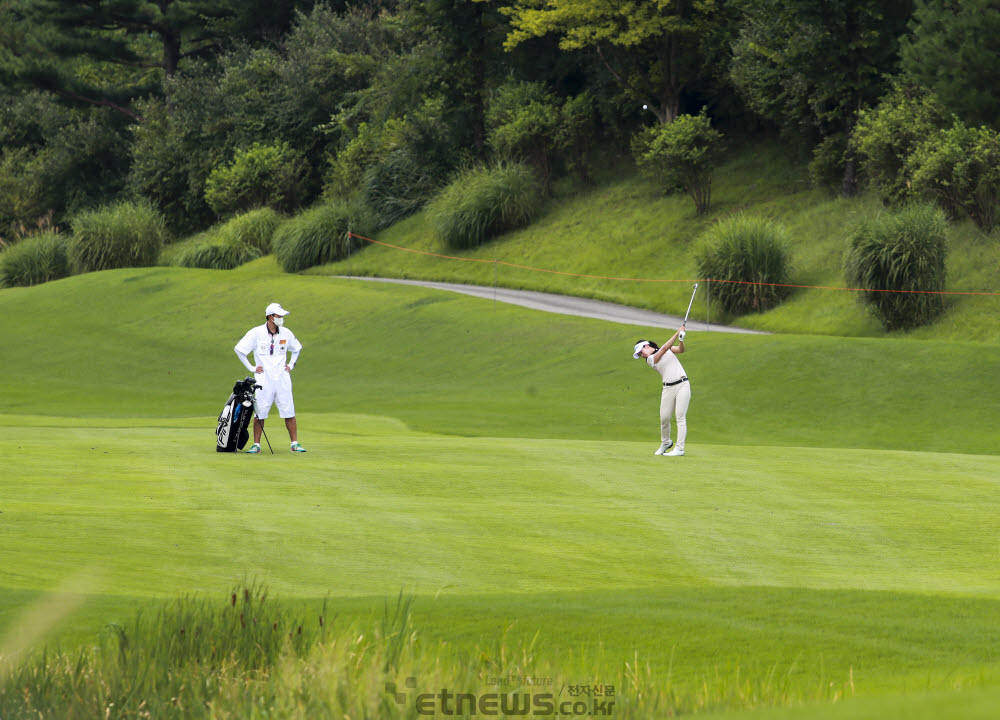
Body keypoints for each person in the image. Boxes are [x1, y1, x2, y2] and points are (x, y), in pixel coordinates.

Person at [235, 302, 306, 453]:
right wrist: (252, 368)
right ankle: (256, 445)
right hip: (263, 378)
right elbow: (240, 350)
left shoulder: (286, 333)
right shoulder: (256, 332)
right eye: (278, 315)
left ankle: (294, 443)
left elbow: (297, 348)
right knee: (260, 411)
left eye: (282, 316)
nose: (281, 318)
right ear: (270, 317)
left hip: (282, 377)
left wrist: (291, 364)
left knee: (289, 410)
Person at [633, 327, 690, 457]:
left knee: (680, 417)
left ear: (646, 346)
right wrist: (676, 333)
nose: (642, 355)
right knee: (664, 418)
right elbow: (664, 349)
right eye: (640, 355)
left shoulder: (668, 349)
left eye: (641, 352)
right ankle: (665, 442)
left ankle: (679, 448)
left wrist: (681, 339)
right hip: (668, 388)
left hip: (683, 384)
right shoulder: (650, 360)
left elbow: (681, 350)